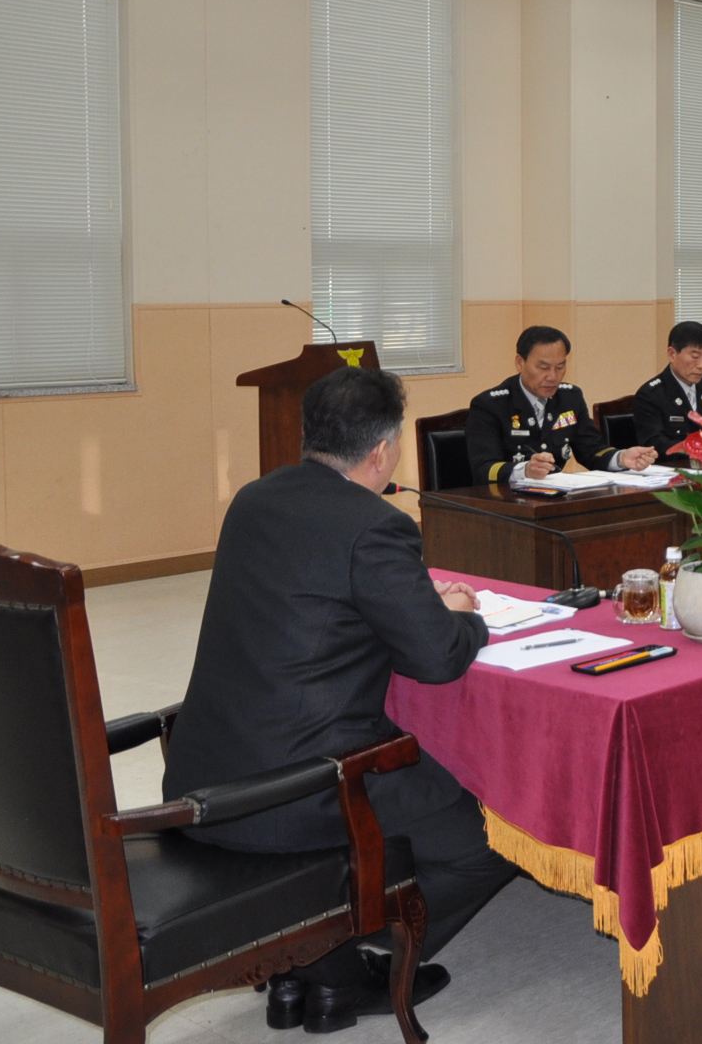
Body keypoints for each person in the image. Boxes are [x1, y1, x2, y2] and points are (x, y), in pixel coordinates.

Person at [162, 367, 517, 1032]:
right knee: (497, 835)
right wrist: (464, 617)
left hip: (206, 770)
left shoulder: (253, 500)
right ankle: (352, 964)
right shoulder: (375, 525)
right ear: (381, 451)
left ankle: (304, 966)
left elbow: (313, 604)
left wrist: (415, 603)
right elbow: (437, 658)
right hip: (305, 785)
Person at [465, 326, 660, 485]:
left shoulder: (569, 398)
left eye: (560, 367)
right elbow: (484, 469)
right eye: (543, 367)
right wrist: (525, 470)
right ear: (520, 363)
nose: (553, 377)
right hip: (506, 504)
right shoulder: (490, 405)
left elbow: (591, 450)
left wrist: (621, 458)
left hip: (554, 497)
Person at [632, 321, 702, 458]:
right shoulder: (651, 395)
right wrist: (695, 449)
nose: (701, 365)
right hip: (672, 466)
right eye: (695, 357)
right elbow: (653, 444)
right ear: (672, 354)